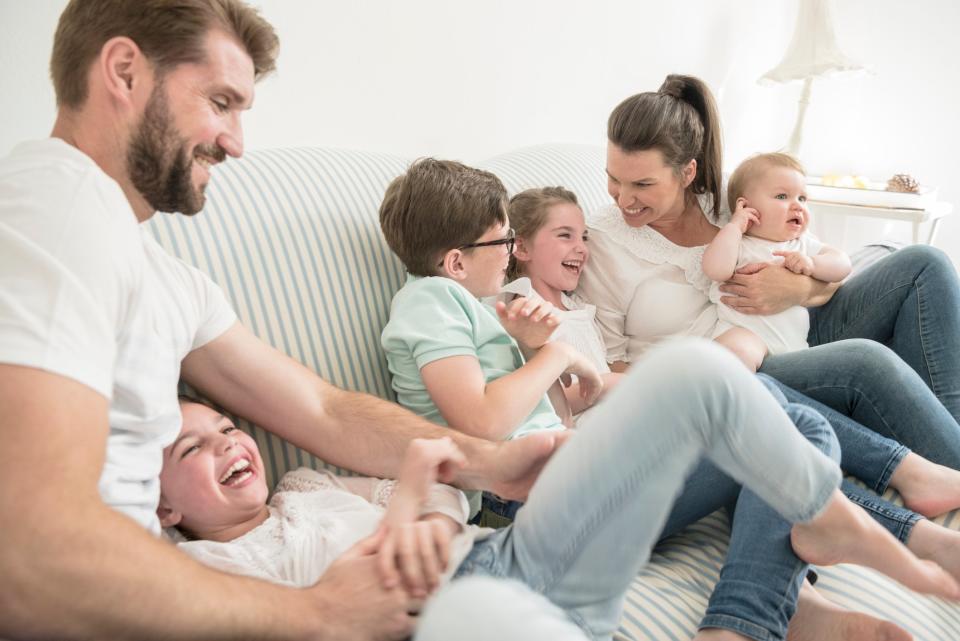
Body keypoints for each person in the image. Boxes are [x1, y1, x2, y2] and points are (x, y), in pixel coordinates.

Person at [0, 3, 563, 640]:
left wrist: (487, 463)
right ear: (124, 72)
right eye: (220, 102)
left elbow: (321, 410)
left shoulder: (156, 271)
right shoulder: (53, 214)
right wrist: (318, 615)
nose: (237, 142)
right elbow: (30, 551)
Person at [377, 160, 960, 641]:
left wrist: (541, 358)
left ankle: (800, 600)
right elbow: (479, 421)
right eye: (502, 240)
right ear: (455, 262)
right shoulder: (431, 302)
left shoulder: (479, 308)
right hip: (529, 505)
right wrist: (553, 355)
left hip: (566, 476)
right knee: (779, 419)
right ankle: (770, 608)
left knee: (769, 412)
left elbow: (544, 417)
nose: (508, 252)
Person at [164, 381, 956, 641]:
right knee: (772, 417)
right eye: (189, 448)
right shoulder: (197, 569)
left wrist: (423, 506)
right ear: (161, 505)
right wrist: (412, 506)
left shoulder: (306, 484)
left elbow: (443, 487)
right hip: (485, 584)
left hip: (515, 541)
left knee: (780, 416)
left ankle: (754, 607)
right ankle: (782, 587)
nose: (228, 442)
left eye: (228, 426)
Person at [577, 73, 960, 483]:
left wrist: (796, 288)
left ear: (687, 173)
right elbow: (609, 362)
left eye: (642, 184)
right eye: (614, 178)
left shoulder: (729, 201)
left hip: (793, 325)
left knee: (924, 264)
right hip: (739, 368)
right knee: (868, 362)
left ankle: (949, 442)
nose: (622, 198)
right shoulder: (604, 240)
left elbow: (814, 259)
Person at [702, 153, 852, 370]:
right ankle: (730, 391)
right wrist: (734, 227)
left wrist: (812, 264)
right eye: (782, 196)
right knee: (735, 352)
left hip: (795, 346)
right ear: (745, 207)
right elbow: (715, 270)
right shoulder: (738, 242)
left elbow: (843, 264)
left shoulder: (802, 245)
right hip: (746, 333)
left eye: (802, 198)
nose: (797, 206)